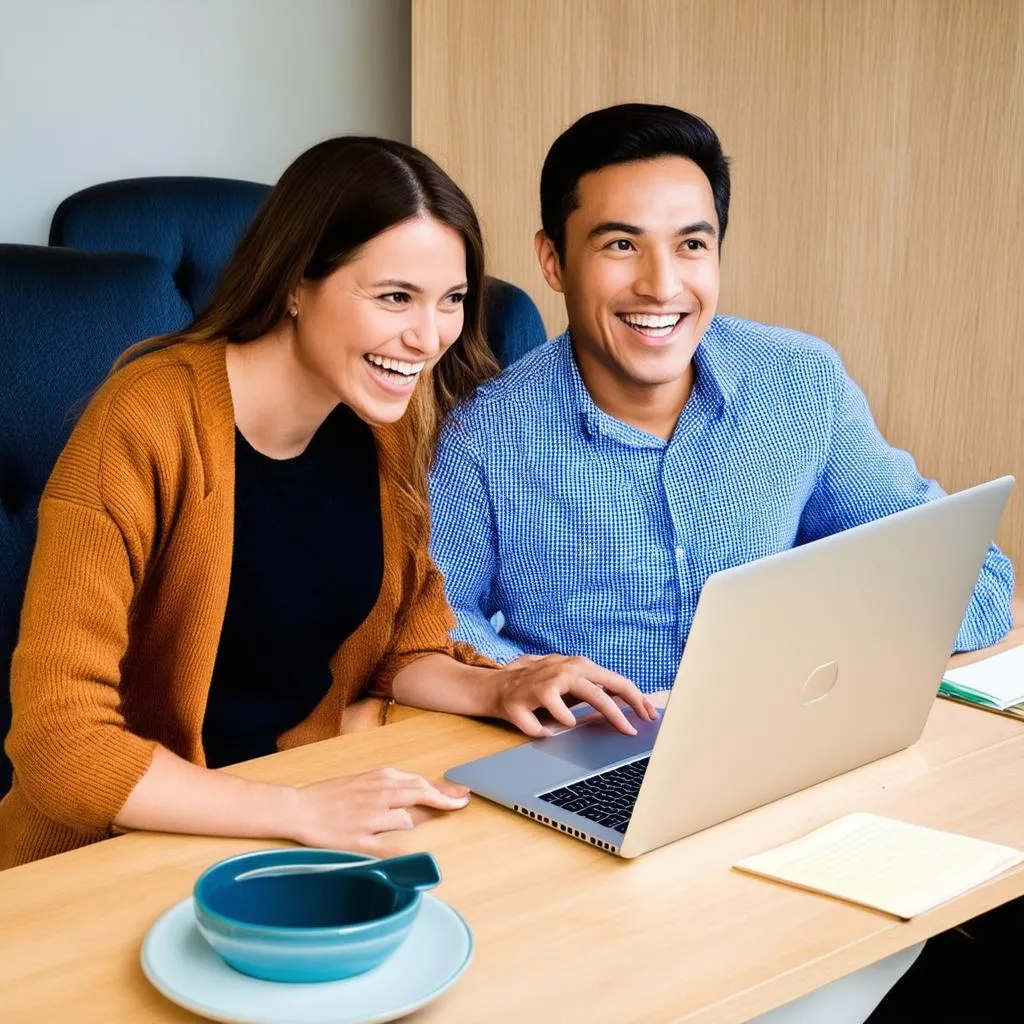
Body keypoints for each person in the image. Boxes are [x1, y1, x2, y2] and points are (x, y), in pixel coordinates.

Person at [428, 104, 1017, 1022]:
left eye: (692, 244)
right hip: (604, 787)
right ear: (554, 260)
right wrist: (521, 674)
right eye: (620, 244)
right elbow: (425, 627)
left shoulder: (801, 383)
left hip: (794, 763)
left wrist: (838, 648)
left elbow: (965, 572)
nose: (662, 284)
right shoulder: (483, 439)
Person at [0, 136, 654, 871]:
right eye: (394, 297)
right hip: (116, 850)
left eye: (451, 300)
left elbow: (404, 647)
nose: (429, 337)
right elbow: (61, 745)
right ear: (294, 284)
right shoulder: (148, 421)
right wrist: (297, 811)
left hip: (293, 806)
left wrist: (503, 685)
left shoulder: (383, 421)